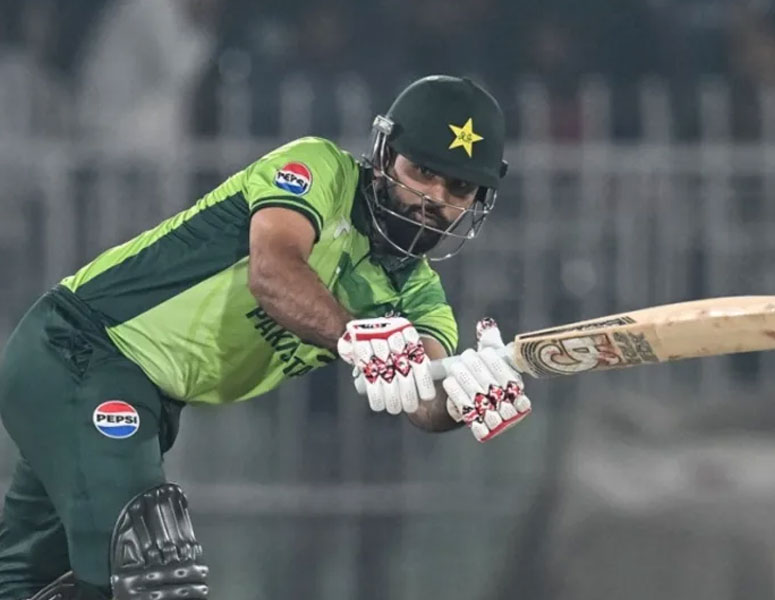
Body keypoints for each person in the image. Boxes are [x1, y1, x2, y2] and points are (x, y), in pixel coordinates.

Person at [0, 74, 531, 600]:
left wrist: (466, 392)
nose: (434, 197)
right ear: (385, 155)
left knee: (28, 582)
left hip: (142, 397)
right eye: (423, 171)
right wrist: (354, 334)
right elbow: (273, 272)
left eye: (459, 187)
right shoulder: (318, 169)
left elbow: (425, 395)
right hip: (82, 349)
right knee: (150, 572)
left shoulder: (421, 297)